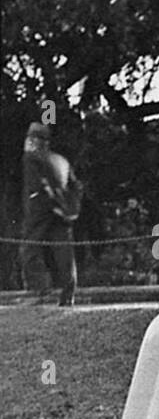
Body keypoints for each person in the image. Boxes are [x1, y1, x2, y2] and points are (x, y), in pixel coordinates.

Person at [21, 122, 82, 306]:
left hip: (40, 212)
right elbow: (76, 186)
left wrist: (50, 202)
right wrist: (69, 208)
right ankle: (67, 294)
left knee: (29, 251)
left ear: (34, 141)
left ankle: (39, 292)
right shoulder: (60, 160)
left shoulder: (31, 158)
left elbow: (39, 186)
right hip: (61, 213)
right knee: (64, 253)